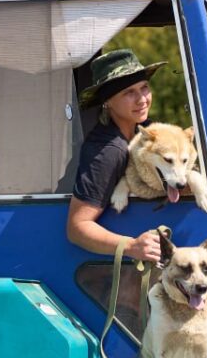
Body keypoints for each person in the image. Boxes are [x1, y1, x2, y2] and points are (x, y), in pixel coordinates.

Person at [66, 49, 167, 262]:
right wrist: (131, 246)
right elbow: (77, 227)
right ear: (108, 101)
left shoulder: (146, 131)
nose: (142, 99)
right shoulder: (108, 151)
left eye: (144, 87)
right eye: (129, 92)